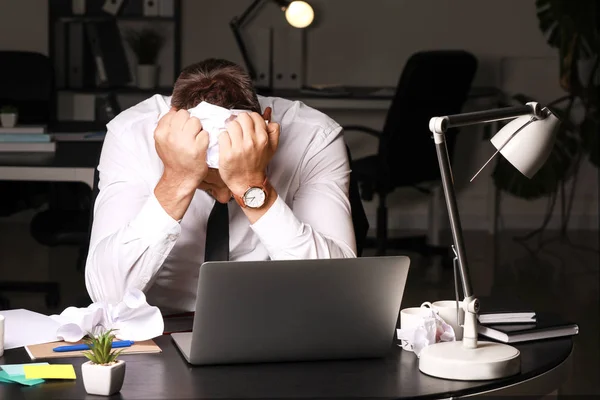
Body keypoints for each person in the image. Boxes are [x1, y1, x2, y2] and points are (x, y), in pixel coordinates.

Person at [85, 58, 357, 313]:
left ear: (265, 123)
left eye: (231, 179)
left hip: (277, 316)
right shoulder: (132, 133)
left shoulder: (313, 136)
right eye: (206, 179)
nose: (225, 196)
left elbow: (338, 288)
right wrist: (177, 180)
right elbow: (109, 296)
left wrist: (252, 187)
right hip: (159, 323)